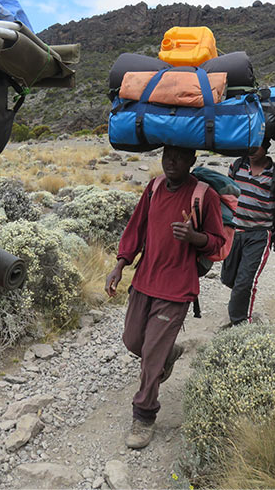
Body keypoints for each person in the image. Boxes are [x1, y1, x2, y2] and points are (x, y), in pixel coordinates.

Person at [104, 146, 227, 449]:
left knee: (151, 356)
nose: (171, 162)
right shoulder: (155, 187)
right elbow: (136, 228)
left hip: (176, 287)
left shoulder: (204, 195)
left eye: (179, 157)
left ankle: (144, 414)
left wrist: (194, 237)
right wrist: (120, 264)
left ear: (192, 160)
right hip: (145, 280)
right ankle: (167, 355)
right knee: (134, 341)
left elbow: (218, 242)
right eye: (167, 156)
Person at [222, 139, 275, 326]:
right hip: (234, 230)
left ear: (266, 148)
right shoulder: (237, 166)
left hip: (259, 235)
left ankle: (240, 325)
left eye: (256, 147)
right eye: (249, 146)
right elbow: (226, 195)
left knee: (245, 282)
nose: (252, 151)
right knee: (228, 278)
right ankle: (240, 301)